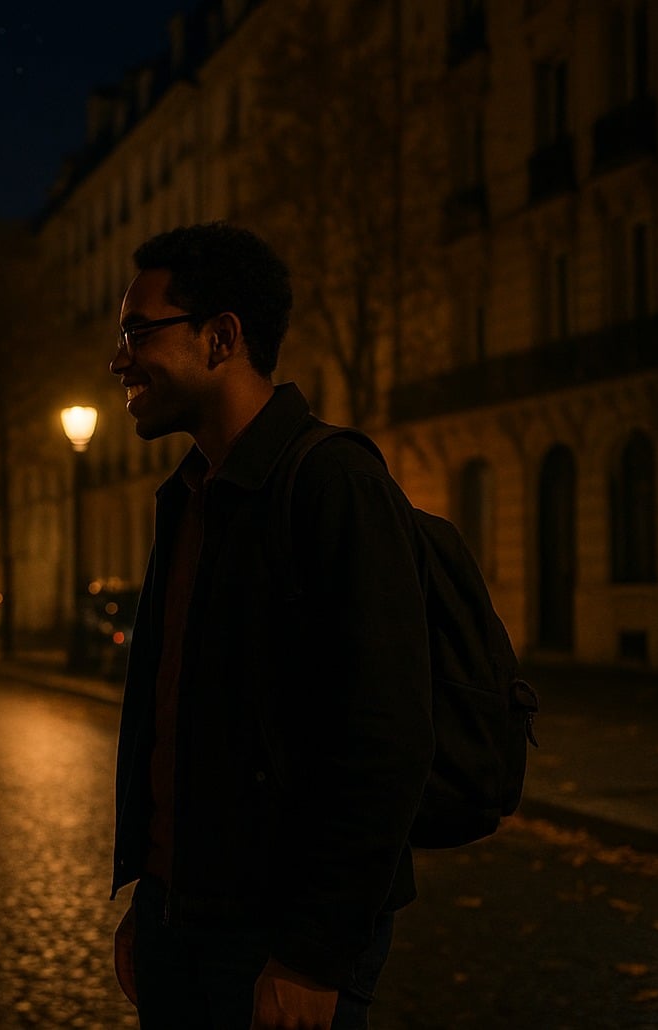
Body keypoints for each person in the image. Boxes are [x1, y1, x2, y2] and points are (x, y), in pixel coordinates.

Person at [106, 223, 433, 1029]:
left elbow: (385, 742)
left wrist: (314, 957)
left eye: (139, 332)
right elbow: (184, 727)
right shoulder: (188, 496)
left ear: (222, 337)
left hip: (276, 942)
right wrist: (155, 899)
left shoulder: (334, 485)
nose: (119, 360)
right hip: (183, 921)